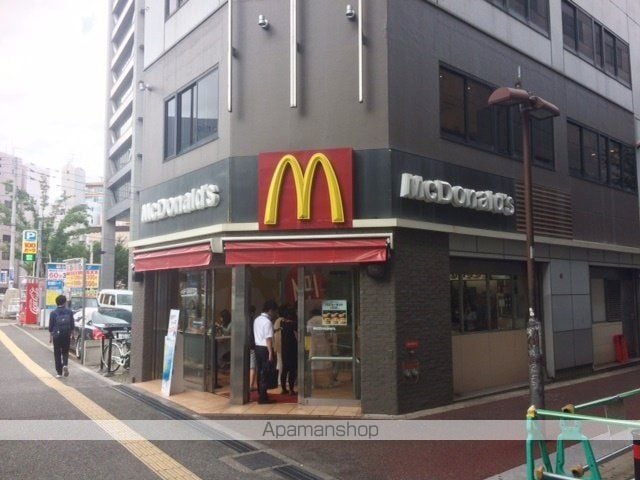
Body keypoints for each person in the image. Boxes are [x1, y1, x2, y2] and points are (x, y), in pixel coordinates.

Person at [253, 299, 277, 404]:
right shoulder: (267, 322)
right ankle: (263, 397)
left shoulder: (257, 319)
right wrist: (271, 353)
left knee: (260, 371)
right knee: (265, 372)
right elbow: (268, 339)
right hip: (265, 349)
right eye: (274, 311)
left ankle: (261, 393)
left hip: (257, 347)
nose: (275, 313)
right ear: (270, 310)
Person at [48, 294, 74, 378]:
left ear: (56, 303)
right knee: (65, 352)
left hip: (57, 336)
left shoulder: (53, 313)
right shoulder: (69, 312)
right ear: (65, 302)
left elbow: (51, 327)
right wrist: (72, 334)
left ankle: (59, 372)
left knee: (57, 353)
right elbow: (72, 325)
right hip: (66, 334)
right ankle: (65, 365)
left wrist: (50, 337)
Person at [279, 307, 298, 395]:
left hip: (284, 349)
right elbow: (297, 337)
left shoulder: (282, 323)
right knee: (292, 369)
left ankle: (283, 389)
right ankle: (291, 389)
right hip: (293, 349)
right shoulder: (294, 324)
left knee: (285, 369)